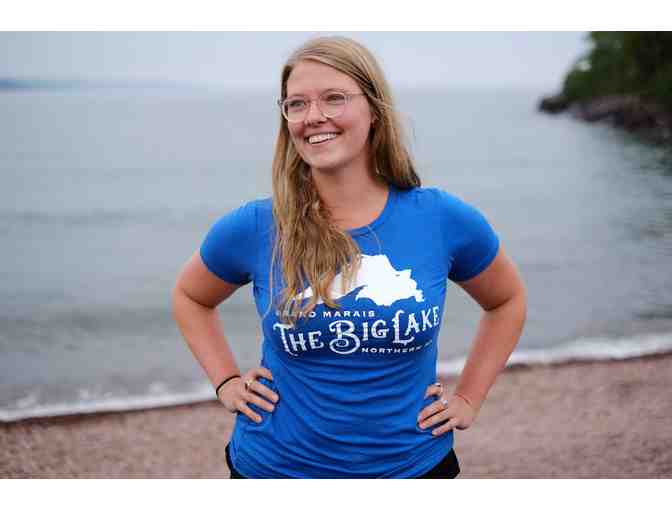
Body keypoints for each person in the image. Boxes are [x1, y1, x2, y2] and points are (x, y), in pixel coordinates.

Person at [172, 35, 527, 478]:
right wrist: (226, 381)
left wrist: (469, 398)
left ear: (374, 109)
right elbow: (190, 297)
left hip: (413, 467)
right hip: (276, 469)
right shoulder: (256, 225)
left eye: (334, 98)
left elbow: (506, 301)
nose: (313, 116)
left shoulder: (441, 219)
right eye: (296, 104)